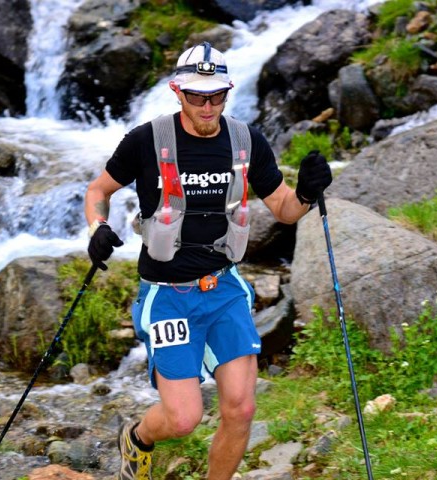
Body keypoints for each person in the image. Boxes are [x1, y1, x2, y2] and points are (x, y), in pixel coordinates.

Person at [84, 42, 332, 480]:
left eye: (216, 95)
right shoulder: (146, 141)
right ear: (177, 91)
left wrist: (308, 192)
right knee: (182, 420)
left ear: (227, 92)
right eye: (197, 95)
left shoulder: (245, 140)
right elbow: (97, 192)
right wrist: (97, 229)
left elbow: (283, 207)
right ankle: (138, 437)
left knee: (242, 408)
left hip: (224, 290)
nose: (207, 105)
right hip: (167, 296)